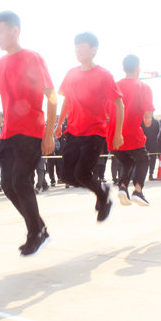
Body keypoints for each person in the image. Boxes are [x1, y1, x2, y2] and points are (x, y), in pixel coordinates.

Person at [0, 10, 56, 256]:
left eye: (0, 32)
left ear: (14, 31)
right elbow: (9, 101)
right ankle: (39, 228)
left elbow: (52, 97)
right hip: (8, 133)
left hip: (31, 131)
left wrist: (49, 134)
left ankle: (35, 234)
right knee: (7, 185)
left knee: (20, 181)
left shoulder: (33, 58)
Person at [55, 32, 123, 221]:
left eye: (82, 47)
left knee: (82, 174)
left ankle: (103, 198)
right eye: (76, 47)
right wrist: (59, 124)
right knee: (67, 176)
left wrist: (118, 133)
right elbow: (67, 100)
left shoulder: (104, 75)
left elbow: (119, 104)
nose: (77, 51)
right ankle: (102, 190)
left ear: (93, 50)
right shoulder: (71, 74)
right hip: (73, 132)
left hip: (94, 132)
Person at [107, 54, 153, 206]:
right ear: (138, 68)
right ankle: (138, 191)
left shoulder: (114, 86)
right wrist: (146, 119)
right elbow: (148, 119)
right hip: (131, 131)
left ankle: (122, 187)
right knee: (143, 159)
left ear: (124, 68)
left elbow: (106, 112)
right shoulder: (143, 87)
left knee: (128, 161)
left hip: (113, 134)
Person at [141, 114, 160, 180]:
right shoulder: (142, 122)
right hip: (144, 142)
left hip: (153, 143)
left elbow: (157, 132)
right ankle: (143, 175)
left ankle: (151, 174)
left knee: (153, 159)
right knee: (144, 159)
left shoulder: (156, 122)